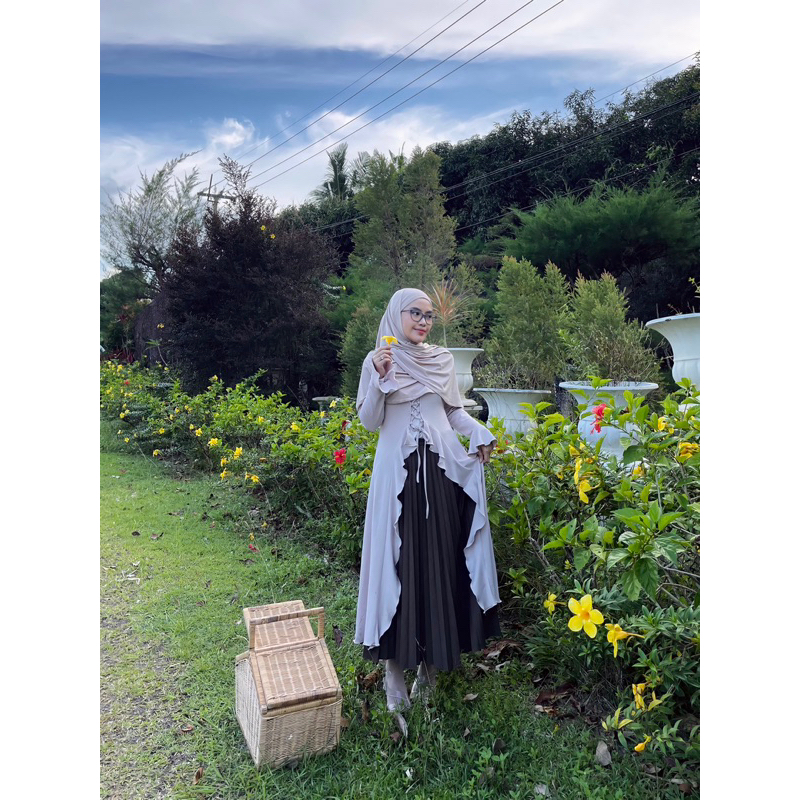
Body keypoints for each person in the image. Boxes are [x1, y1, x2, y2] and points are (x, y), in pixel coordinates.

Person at [354, 288, 501, 734]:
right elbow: (369, 420)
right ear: (395, 315)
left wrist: (479, 431)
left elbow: (453, 413)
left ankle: (429, 669)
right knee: (397, 568)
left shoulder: (441, 360)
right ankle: (393, 676)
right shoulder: (378, 359)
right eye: (414, 313)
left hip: (439, 476)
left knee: (437, 566)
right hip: (396, 482)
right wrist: (379, 378)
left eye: (429, 315)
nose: (423, 321)